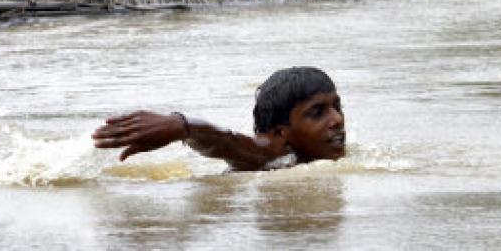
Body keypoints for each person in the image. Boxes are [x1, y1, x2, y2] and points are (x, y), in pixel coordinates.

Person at [92, 66, 346, 171]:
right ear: (281, 133)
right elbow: (225, 142)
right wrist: (181, 126)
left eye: (337, 106)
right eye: (318, 112)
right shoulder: (271, 153)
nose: (337, 120)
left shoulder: (313, 157)